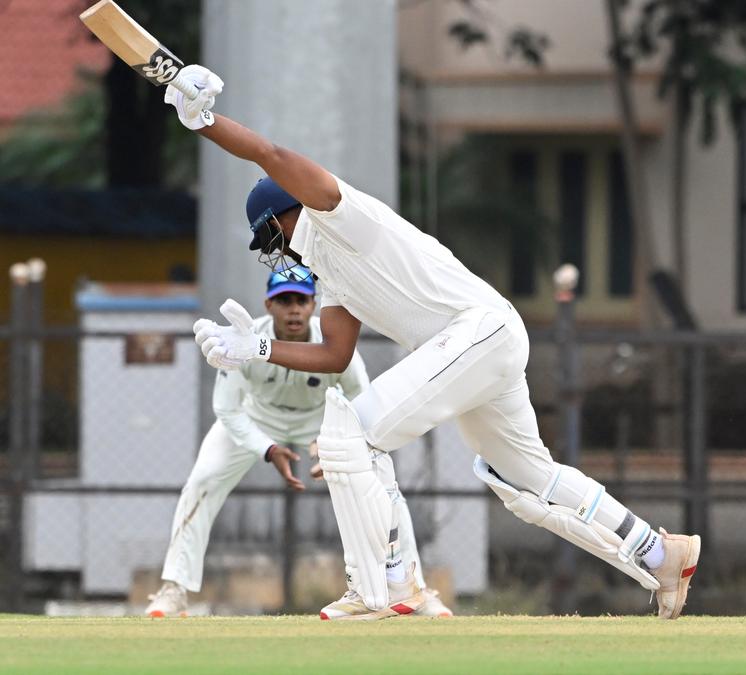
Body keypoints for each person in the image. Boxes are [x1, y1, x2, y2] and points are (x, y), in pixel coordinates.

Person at [169, 65, 700, 620]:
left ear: (289, 210)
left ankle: (386, 588)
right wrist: (253, 350)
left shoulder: (339, 216)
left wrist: (202, 121)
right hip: (480, 346)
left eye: (270, 232)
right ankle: (661, 553)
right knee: (527, 482)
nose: (274, 248)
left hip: (479, 331)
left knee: (349, 434)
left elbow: (272, 157)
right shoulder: (329, 272)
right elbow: (334, 356)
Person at [146, 265, 451, 619]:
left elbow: (363, 400)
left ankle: (417, 589)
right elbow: (226, 409)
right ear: (268, 304)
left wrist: (342, 446)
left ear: (312, 305)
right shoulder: (245, 338)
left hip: (320, 422)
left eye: (301, 300)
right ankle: (174, 590)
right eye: (284, 300)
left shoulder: (335, 343)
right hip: (257, 417)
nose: (293, 309)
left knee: (383, 488)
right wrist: (267, 448)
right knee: (202, 480)